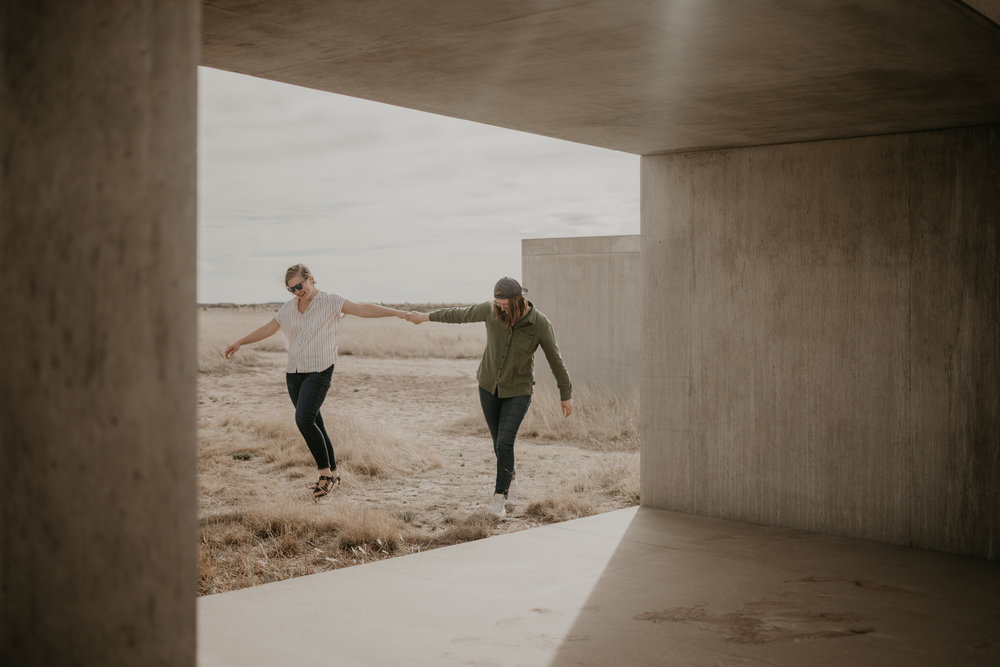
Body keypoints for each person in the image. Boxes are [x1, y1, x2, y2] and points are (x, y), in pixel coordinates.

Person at [224, 263, 409, 498]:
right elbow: (269, 328)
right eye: (291, 289)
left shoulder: (331, 301)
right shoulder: (289, 309)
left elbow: (363, 309)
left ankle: (324, 475)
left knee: (303, 419)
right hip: (294, 373)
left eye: (299, 286)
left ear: (310, 279)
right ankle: (334, 473)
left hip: (320, 370)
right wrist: (241, 341)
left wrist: (396, 312)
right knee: (315, 423)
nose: (297, 292)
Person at [408, 277, 573, 518]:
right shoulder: (490, 310)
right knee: (499, 444)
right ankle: (511, 481)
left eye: (505, 305)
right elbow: (459, 314)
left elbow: (555, 359)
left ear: (519, 300)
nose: (501, 308)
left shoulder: (539, 324)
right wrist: (425, 317)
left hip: (518, 391)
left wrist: (565, 393)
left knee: (505, 442)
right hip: (488, 388)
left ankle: (499, 498)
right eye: (498, 304)